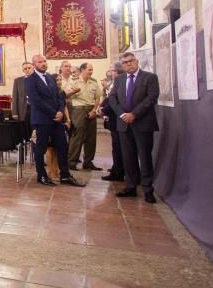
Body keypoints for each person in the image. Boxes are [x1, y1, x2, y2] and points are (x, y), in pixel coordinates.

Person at [104, 51, 160, 203]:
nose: (128, 64)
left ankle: (148, 189)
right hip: (124, 124)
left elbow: (151, 98)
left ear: (137, 61)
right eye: (125, 62)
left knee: (145, 157)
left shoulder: (149, 77)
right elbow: (112, 98)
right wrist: (122, 114)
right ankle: (130, 187)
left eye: (131, 61)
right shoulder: (120, 79)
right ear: (122, 65)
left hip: (142, 123)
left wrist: (134, 114)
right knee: (128, 158)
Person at [23, 54, 85, 188]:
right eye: (40, 62)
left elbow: (59, 97)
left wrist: (61, 111)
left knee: (62, 146)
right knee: (40, 148)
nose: (43, 63)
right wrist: (54, 113)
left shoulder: (51, 77)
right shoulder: (30, 80)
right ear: (34, 65)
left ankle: (65, 175)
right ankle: (41, 175)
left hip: (57, 119)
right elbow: (36, 101)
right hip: (42, 119)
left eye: (44, 61)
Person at [66, 62, 102, 171]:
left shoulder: (94, 82)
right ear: (82, 70)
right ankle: (71, 162)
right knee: (77, 137)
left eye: (92, 70)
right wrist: (74, 92)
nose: (91, 72)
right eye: (89, 70)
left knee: (91, 138)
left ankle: (88, 162)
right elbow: (66, 95)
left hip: (91, 110)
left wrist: (94, 110)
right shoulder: (74, 81)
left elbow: (97, 98)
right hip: (78, 110)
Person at [99, 65, 126, 182]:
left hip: (117, 119)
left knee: (119, 148)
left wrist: (103, 110)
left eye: (112, 70)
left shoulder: (121, 82)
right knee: (116, 147)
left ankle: (119, 172)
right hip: (113, 119)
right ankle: (116, 168)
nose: (110, 72)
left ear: (117, 72)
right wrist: (101, 107)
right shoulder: (115, 82)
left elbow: (114, 101)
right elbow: (109, 98)